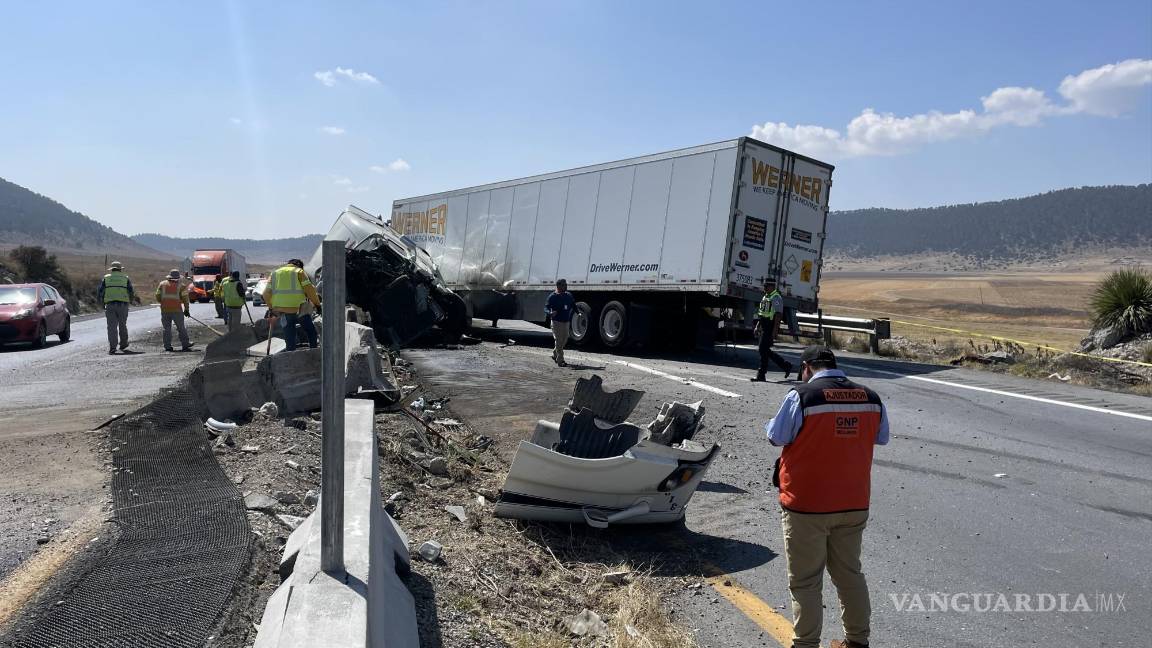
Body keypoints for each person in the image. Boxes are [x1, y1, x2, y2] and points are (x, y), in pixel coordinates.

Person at [765, 346, 889, 648]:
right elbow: (881, 437)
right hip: (853, 502)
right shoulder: (870, 397)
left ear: (807, 368)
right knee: (849, 575)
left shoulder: (802, 396)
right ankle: (857, 642)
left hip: (807, 504)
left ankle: (806, 644)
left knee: (806, 581)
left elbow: (776, 436)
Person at [263, 258, 321, 350]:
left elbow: (265, 294)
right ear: (300, 266)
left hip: (283, 312)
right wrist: (317, 305)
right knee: (311, 332)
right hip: (300, 310)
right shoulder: (299, 271)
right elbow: (310, 290)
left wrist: (271, 308)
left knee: (289, 337)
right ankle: (313, 353)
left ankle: (290, 358)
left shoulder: (274, 273)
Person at [751, 278, 792, 381]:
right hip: (764, 325)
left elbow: (778, 315)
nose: (764, 288)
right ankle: (785, 365)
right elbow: (762, 314)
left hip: (770, 326)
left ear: (772, 286)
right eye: (764, 286)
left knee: (762, 349)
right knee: (764, 350)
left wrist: (775, 330)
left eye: (766, 286)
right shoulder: (766, 297)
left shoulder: (776, 297)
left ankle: (761, 374)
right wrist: (757, 326)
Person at [97, 261, 135, 354]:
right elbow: (131, 291)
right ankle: (123, 344)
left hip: (110, 305)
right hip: (123, 305)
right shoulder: (125, 278)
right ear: (120, 269)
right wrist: (130, 300)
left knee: (111, 327)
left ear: (112, 269)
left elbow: (100, 292)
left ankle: (113, 347)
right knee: (123, 325)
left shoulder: (106, 278)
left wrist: (101, 303)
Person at [155, 269, 194, 351]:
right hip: (177, 310)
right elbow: (185, 299)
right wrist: (186, 309)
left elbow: (157, 295)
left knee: (166, 328)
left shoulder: (162, 284)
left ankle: (167, 346)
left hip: (165, 310)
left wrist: (164, 302)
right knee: (181, 327)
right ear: (178, 277)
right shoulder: (181, 286)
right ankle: (185, 344)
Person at [545, 278, 576, 367]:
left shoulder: (568, 295)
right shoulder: (552, 296)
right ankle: (560, 360)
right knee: (559, 340)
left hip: (566, 321)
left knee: (565, 339)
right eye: (563, 284)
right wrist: (550, 313)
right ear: (558, 286)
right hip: (556, 322)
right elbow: (546, 308)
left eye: (566, 284)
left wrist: (578, 313)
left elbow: (573, 305)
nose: (566, 286)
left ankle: (555, 352)